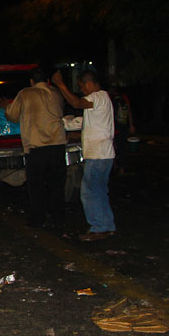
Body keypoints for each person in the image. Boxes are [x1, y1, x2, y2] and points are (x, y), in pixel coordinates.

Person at [52, 69, 115, 241]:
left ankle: (98, 228)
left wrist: (61, 85)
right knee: (100, 191)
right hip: (104, 153)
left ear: (88, 84)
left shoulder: (97, 97)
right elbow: (98, 127)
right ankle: (107, 226)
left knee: (89, 192)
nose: (82, 90)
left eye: (81, 86)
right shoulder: (104, 99)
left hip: (98, 155)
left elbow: (76, 103)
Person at [4, 66, 67, 228]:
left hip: (36, 146)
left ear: (31, 81)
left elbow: (12, 115)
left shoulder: (25, 93)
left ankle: (37, 218)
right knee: (56, 185)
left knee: (36, 185)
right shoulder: (56, 93)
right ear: (47, 81)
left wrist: (5, 106)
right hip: (58, 145)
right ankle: (59, 217)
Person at [108, 86, 135, 175]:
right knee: (122, 147)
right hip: (123, 126)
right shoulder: (124, 97)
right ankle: (121, 168)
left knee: (113, 146)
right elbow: (129, 111)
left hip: (113, 126)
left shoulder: (109, 97)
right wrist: (131, 125)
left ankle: (115, 165)